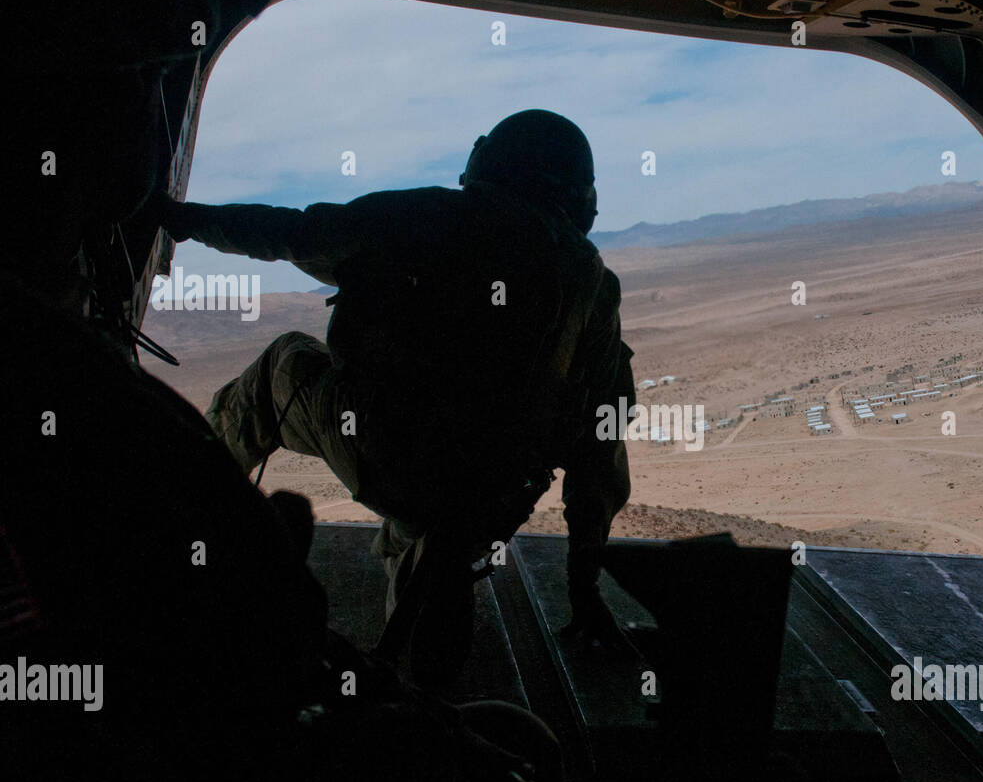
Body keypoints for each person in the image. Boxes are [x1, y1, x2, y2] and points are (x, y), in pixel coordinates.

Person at [151, 110, 634, 687]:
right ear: (583, 199)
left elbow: (289, 233)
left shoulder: (431, 216)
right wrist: (584, 586)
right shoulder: (595, 288)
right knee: (425, 536)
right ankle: (423, 650)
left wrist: (177, 218)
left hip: (390, 458)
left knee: (285, 361)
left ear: (486, 165)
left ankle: (175, 519)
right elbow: (600, 446)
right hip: (489, 503)